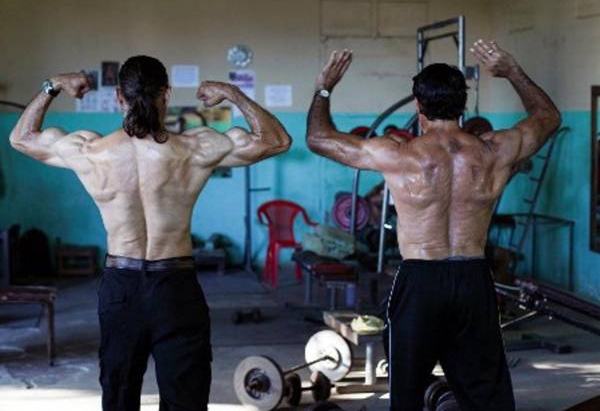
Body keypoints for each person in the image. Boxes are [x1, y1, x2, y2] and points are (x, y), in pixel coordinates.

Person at [9, 55, 291, 411]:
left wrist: (53, 86)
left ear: (118, 98)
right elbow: (276, 140)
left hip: (121, 289)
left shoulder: (90, 151)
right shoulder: (194, 149)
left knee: (119, 396)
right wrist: (233, 94)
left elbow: (21, 138)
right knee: (184, 400)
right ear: (166, 96)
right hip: (175, 288)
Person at [306, 40, 560, 411]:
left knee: (407, 394)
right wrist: (512, 72)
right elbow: (548, 117)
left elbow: (318, 138)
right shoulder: (495, 150)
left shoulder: (398, 154)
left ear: (419, 106)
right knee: (485, 393)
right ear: (464, 103)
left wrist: (324, 86)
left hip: (419, 280)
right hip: (473, 278)